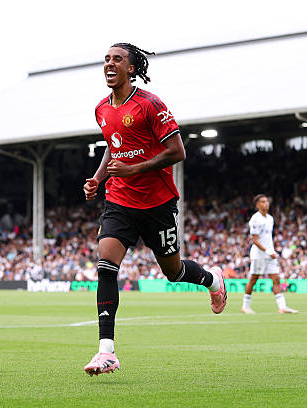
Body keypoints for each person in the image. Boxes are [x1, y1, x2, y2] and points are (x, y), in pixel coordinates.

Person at [82, 43, 227, 377]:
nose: (109, 63)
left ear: (131, 68)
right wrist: (99, 178)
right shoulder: (101, 109)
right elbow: (113, 145)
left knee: (173, 272)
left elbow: (177, 151)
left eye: (117, 59)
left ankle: (212, 279)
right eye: (106, 59)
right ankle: (107, 351)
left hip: (157, 202)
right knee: (105, 266)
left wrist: (134, 169)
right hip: (119, 201)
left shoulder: (150, 104)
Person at [241, 194, 298, 315]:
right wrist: (267, 251)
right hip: (259, 255)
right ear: (257, 205)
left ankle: (282, 307)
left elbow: (267, 238)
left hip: (270, 254)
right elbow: (255, 240)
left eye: (267, 201)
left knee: (276, 279)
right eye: (263, 202)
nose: (266, 203)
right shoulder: (255, 219)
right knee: (253, 279)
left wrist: (272, 250)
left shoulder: (270, 219)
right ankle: (245, 306)